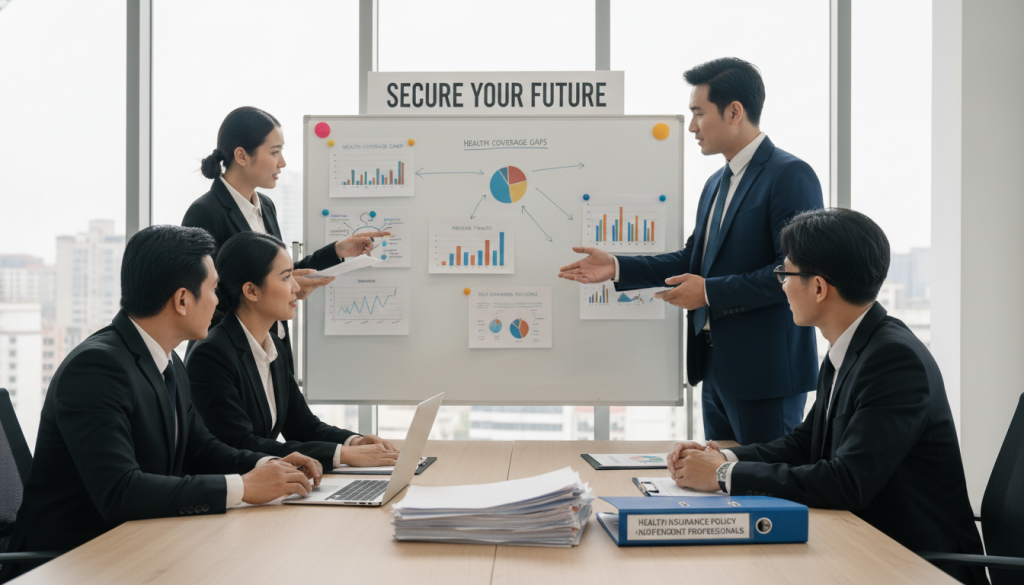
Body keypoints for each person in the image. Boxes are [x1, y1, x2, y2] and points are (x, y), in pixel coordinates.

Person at [667, 208, 986, 585]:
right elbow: (807, 442)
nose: (781, 285)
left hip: (914, 563)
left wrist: (723, 476)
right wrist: (723, 456)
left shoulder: (894, 361)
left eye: (784, 274)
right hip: (867, 543)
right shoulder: (853, 345)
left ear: (818, 287)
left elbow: (847, 482)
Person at [3, 225, 323, 579]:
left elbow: (201, 448)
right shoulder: (96, 368)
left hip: (137, 544)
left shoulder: (167, 360)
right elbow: (121, 491)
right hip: (70, 561)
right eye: (213, 289)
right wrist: (245, 487)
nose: (219, 301)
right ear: (182, 300)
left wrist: (271, 463)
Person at [559, 58, 822, 444]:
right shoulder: (716, 182)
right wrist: (616, 267)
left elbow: (792, 272)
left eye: (699, 113)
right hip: (715, 370)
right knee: (720, 487)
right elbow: (692, 259)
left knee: (766, 494)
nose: (694, 127)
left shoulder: (789, 175)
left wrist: (709, 292)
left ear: (734, 112)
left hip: (766, 375)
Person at [181, 106, 388, 369]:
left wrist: (337, 251)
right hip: (230, 359)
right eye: (275, 152)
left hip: (273, 348)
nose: (283, 163)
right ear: (242, 156)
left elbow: (277, 274)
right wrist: (277, 293)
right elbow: (203, 298)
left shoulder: (265, 206)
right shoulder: (205, 212)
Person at [185, 231, 400, 470]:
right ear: (251, 291)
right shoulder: (211, 355)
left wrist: (354, 442)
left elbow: (301, 424)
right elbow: (239, 443)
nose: (296, 287)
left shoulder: (274, 345)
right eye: (286, 278)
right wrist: (344, 455)